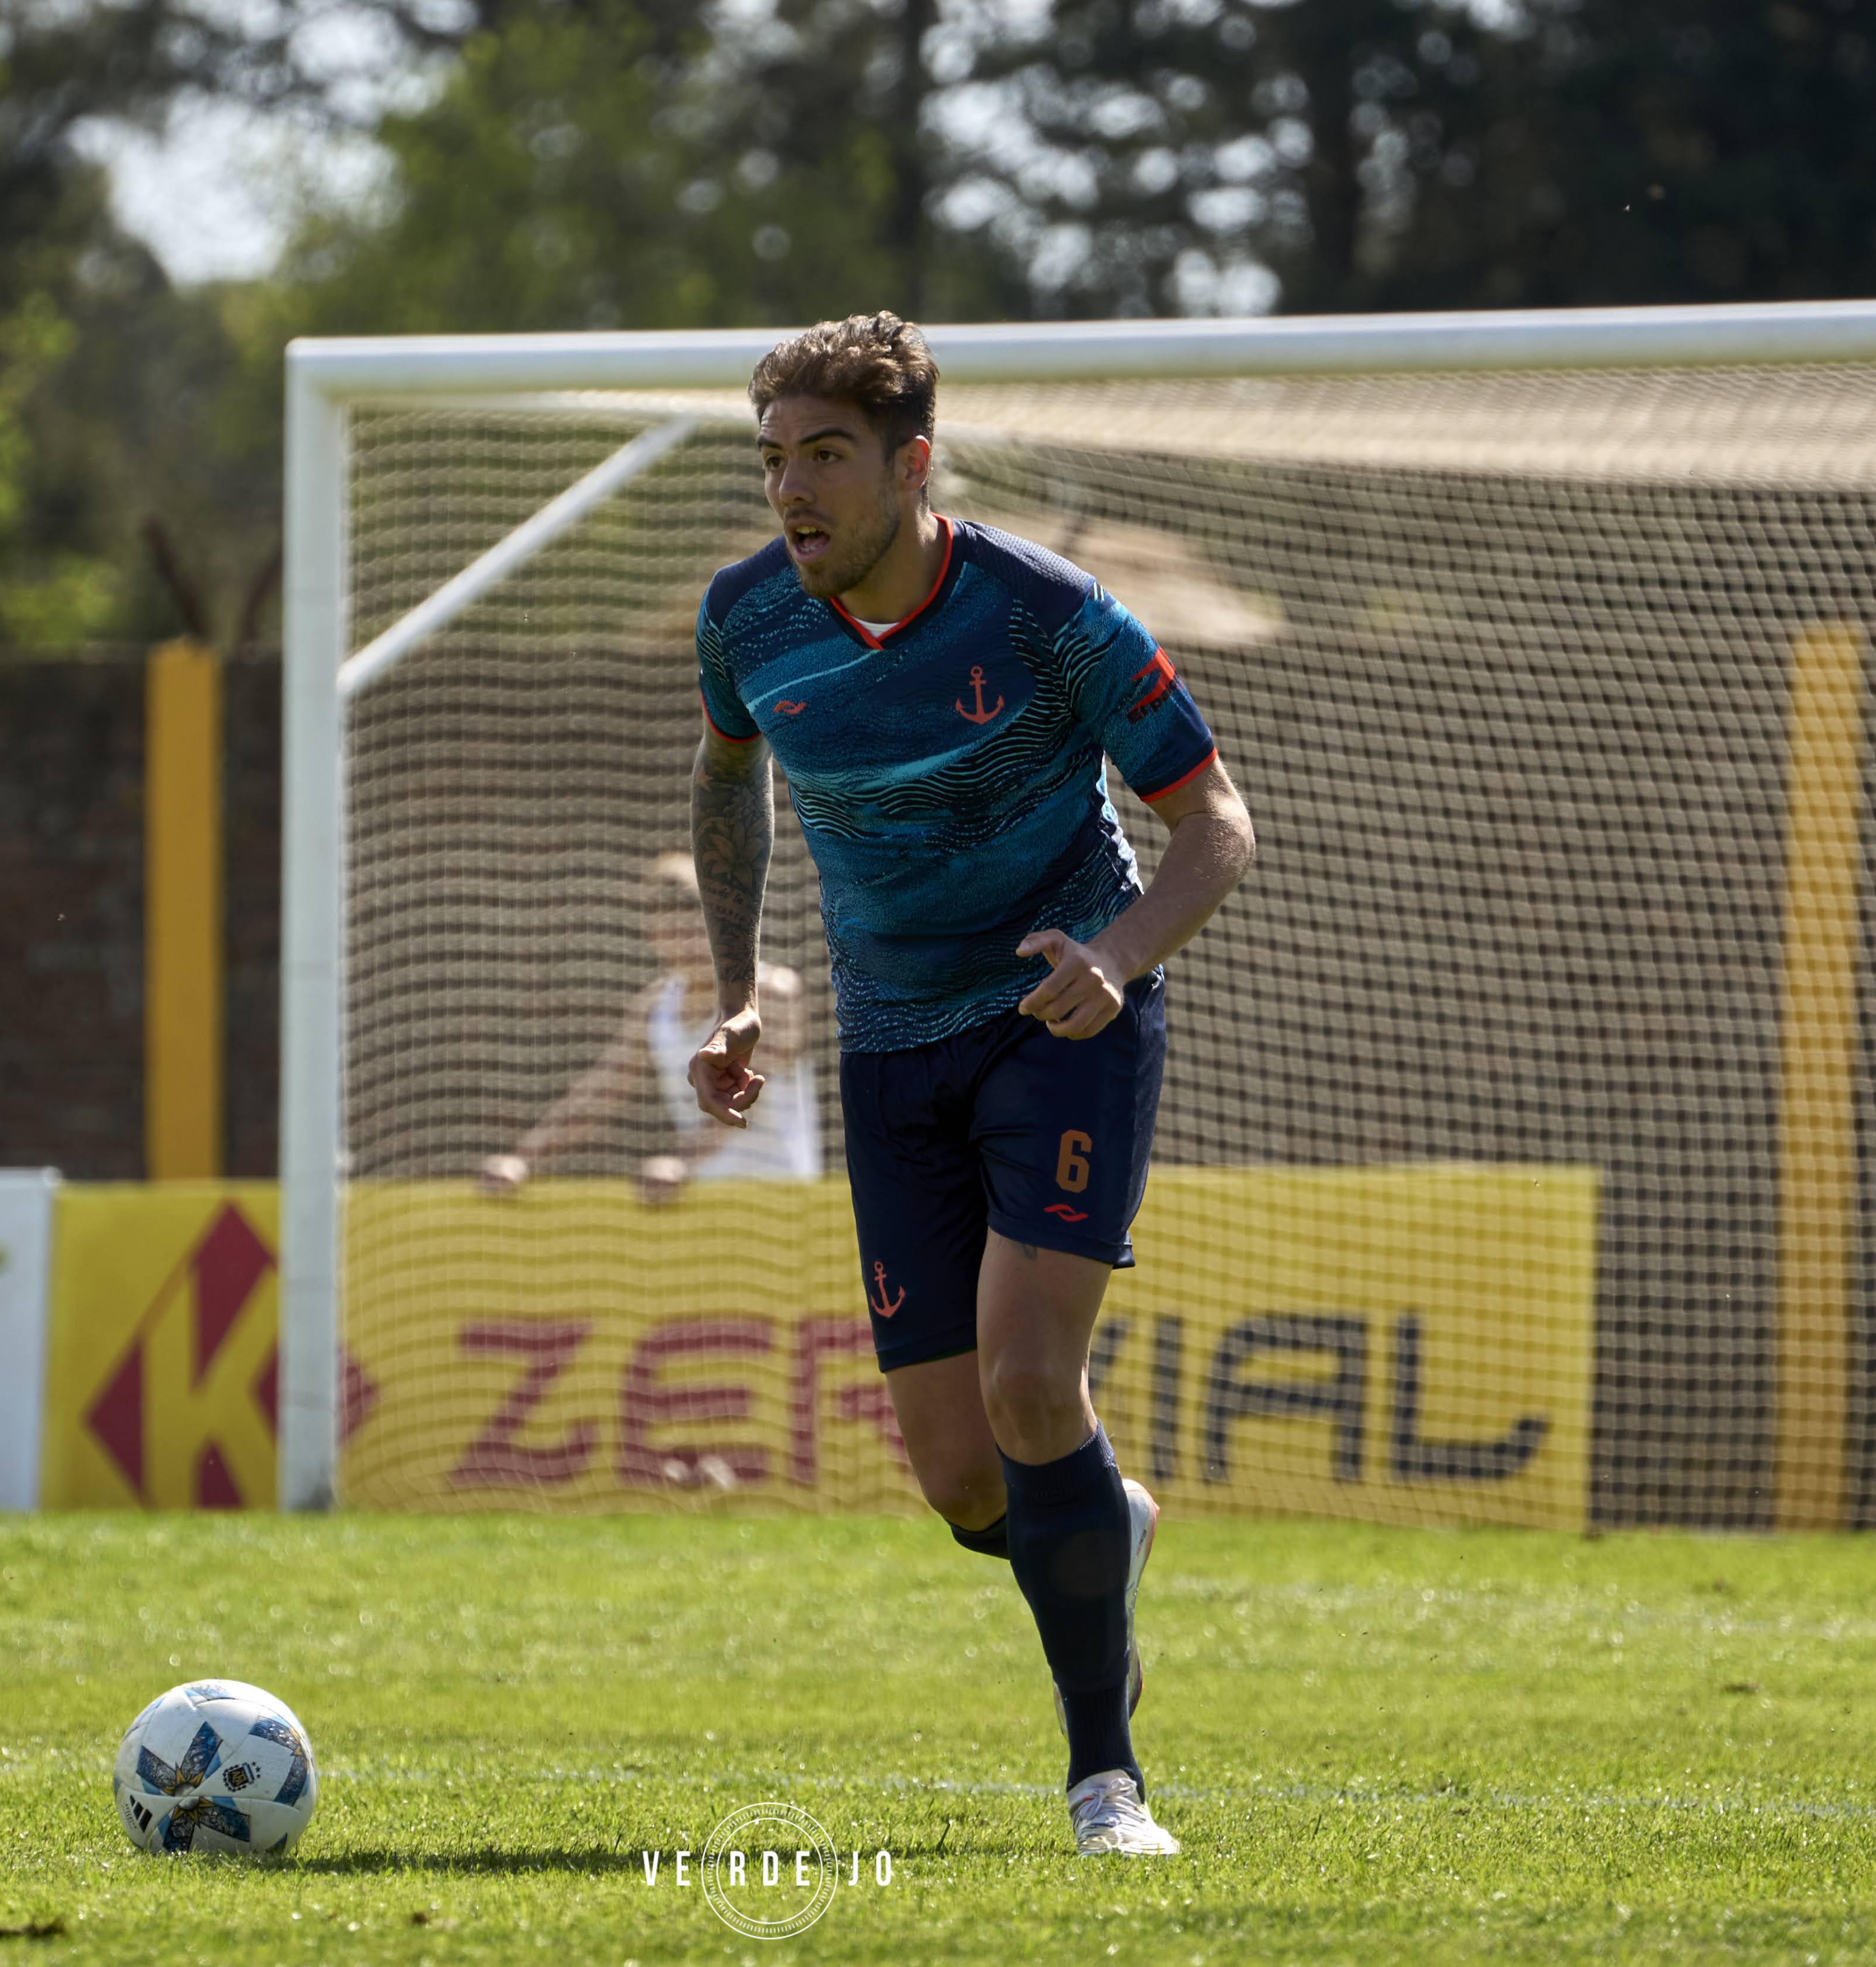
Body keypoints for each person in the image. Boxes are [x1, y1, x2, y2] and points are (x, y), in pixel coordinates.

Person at [683, 313, 1255, 1857]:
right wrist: (739, 993)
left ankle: (1105, 1782)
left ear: (909, 464)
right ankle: (1101, 1521)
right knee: (959, 1474)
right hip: (889, 1048)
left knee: (1025, 1379)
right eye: (773, 460)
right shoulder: (744, 621)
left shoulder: (1050, 613)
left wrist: (1122, 957)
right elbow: (727, 775)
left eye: (824, 458)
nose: (791, 492)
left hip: (1056, 1027)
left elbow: (1216, 824)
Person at [479, 852, 819, 1204]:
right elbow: (601, 1091)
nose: (686, 943)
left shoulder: (774, 994)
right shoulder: (654, 1007)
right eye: (673, 930)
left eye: (697, 928)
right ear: (654, 935)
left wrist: (680, 1163)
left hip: (782, 1200)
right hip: (694, 1202)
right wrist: (523, 1159)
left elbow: (745, 1097)